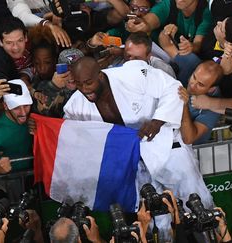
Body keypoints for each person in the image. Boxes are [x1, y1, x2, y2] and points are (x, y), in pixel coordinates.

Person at [64, 57, 213, 212]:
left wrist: (157, 121)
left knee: (198, 206)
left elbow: (173, 88)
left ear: (100, 75)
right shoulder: (75, 105)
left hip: (167, 150)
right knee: (156, 217)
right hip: (133, 165)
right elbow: (67, 132)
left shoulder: (132, 75)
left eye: (88, 83)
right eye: (78, 84)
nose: (84, 89)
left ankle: (215, 234)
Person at [178, 60, 223, 144]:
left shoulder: (213, 110)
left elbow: (188, 139)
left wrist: (183, 105)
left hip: (187, 149)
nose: (192, 85)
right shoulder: (189, 67)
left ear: (211, 89)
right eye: (194, 77)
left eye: (200, 84)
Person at [0, 16, 33, 84]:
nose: (16, 47)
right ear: (0, 42)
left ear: (26, 37)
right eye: (9, 43)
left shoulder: (36, 40)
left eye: (20, 40)